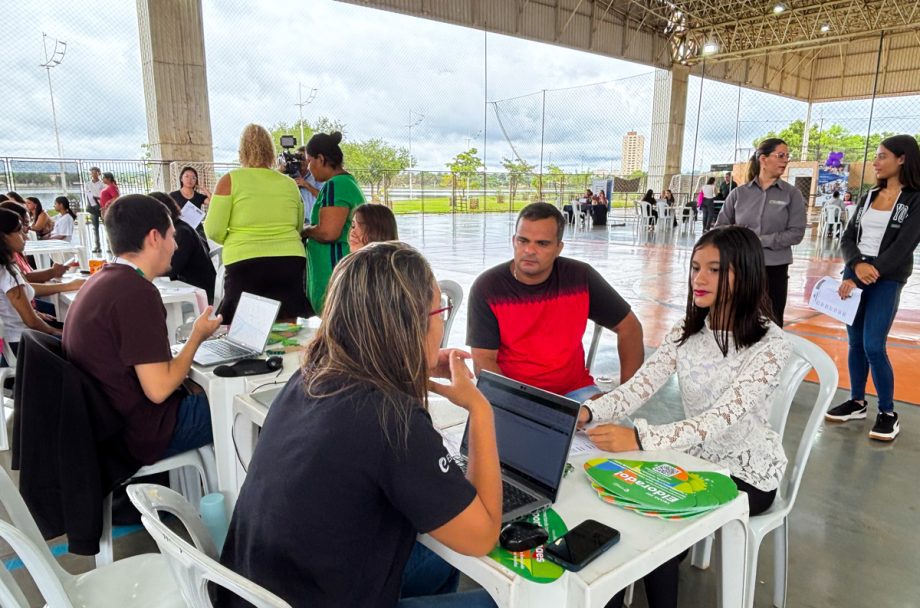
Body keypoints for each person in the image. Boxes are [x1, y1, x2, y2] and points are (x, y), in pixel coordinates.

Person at [218, 242, 501, 608]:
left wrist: (416, 363)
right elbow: (483, 536)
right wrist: (480, 410)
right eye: (440, 311)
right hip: (310, 595)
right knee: (497, 600)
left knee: (438, 558)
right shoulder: (392, 420)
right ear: (411, 325)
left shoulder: (310, 376)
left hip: (254, 591)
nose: (442, 324)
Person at [582, 226, 790, 608]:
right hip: (691, 460)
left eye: (714, 269)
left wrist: (641, 440)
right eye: (695, 267)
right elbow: (640, 386)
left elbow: (721, 418)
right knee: (626, 513)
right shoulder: (687, 330)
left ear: (743, 274)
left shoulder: (771, 345)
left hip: (746, 473)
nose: (699, 278)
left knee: (660, 529)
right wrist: (589, 410)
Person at [63, 195, 222, 465]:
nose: (175, 246)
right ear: (154, 238)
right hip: (141, 433)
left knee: (201, 387)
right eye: (172, 236)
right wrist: (197, 335)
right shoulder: (136, 294)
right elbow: (159, 389)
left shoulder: (102, 279)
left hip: (108, 426)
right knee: (235, 402)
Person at [467, 202, 644, 401]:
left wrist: (626, 398)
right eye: (523, 240)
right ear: (513, 241)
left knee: (617, 430)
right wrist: (514, 406)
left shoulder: (580, 278)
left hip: (575, 392)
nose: (529, 250)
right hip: (513, 395)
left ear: (559, 248)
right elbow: (484, 361)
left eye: (542, 243)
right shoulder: (488, 288)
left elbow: (630, 328)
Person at [825, 135, 920, 442]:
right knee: (855, 342)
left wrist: (871, 271)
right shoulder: (868, 196)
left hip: (886, 278)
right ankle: (857, 401)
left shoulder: (915, 199)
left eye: (882, 156)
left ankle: (888, 412)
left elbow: (904, 246)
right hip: (855, 272)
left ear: (902, 158)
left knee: (874, 346)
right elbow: (848, 237)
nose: (876, 162)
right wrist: (855, 266)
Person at [204, 123, 310, 323]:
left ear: (241, 151)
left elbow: (213, 230)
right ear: (271, 151)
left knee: (242, 328)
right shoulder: (289, 184)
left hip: (245, 261)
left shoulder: (229, 181)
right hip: (289, 260)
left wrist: (239, 240)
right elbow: (297, 226)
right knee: (287, 326)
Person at [716, 138, 806, 326]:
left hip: (775, 270)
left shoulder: (791, 194)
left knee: (771, 323)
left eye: (787, 156)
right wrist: (737, 237)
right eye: (780, 155)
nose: (785, 160)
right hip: (742, 268)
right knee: (738, 321)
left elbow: (796, 233)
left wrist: (759, 240)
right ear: (763, 160)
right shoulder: (739, 194)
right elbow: (720, 228)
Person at [0, 209, 84, 354]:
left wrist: (36, 313)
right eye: (20, 232)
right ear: (4, 237)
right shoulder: (6, 272)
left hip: (18, 340)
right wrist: (56, 331)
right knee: (88, 341)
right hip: (24, 344)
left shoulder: (5, 269)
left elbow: (23, 294)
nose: (25, 237)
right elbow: (31, 322)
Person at [301, 131, 365, 314]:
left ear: (320, 159)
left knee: (334, 320)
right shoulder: (347, 183)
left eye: (310, 161)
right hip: (342, 269)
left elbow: (329, 232)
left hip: (333, 268)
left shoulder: (335, 185)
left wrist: (305, 230)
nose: (309, 168)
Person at [150, 192, 216, 303]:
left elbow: (171, 270)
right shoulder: (177, 228)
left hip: (199, 293)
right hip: (186, 287)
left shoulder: (181, 232)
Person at [290, 145, 323, 222]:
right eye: (297, 159)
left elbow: (324, 198)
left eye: (302, 159)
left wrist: (306, 185)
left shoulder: (317, 176)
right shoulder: (289, 177)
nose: (300, 162)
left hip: (313, 222)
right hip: (296, 222)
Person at [84, 166, 105, 252]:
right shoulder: (88, 184)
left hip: (101, 206)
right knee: (95, 227)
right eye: (92, 173)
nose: (94, 174)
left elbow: (103, 195)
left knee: (106, 226)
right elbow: (88, 195)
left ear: (98, 173)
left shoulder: (102, 184)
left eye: (95, 172)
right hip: (93, 207)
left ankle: (109, 246)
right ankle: (97, 246)